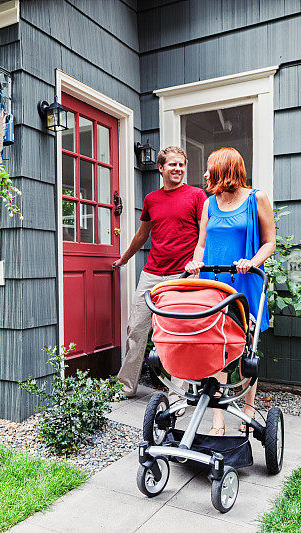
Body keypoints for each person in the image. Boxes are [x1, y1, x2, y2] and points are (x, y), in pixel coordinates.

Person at [185, 147, 276, 435]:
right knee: (216, 348)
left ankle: (248, 415)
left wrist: (252, 261)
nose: (204, 173)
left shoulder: (255, 199)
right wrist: (196, 261)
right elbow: (201, 243)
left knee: (248, 350)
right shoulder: (209, 204)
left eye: (209, 167)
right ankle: (218, 420)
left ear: (224, 170)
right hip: (215, 283)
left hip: (245, 282)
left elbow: (270, 242)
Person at [113, 146, 206, 398]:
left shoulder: (197, 195)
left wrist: (197, 264)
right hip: (152, 273)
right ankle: (127, 386)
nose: (178, 169)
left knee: (178, 331)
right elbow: (142, 235)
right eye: (173, 165)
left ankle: (177, 392)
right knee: (137, 328)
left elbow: (204, 236)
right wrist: (124, 258)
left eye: (182, 165)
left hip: (182, 274)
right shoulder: (151, 199)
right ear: (161, 168)